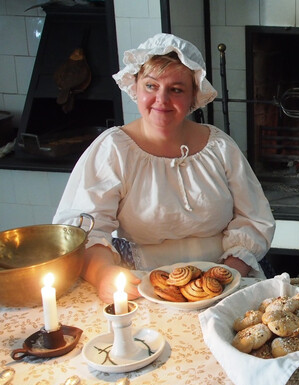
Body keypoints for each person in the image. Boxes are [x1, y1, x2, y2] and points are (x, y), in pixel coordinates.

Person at [53, 34, 276, 302]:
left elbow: (254, 218)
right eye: (151, 86)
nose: (161, 99)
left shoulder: (219, 147)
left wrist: (227, 273)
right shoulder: (115, 149)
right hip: (142, 285)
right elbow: (84, 230)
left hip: (223, 280)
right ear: (135, 86)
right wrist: (104, 275)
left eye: (176, 89)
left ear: (194, 95)